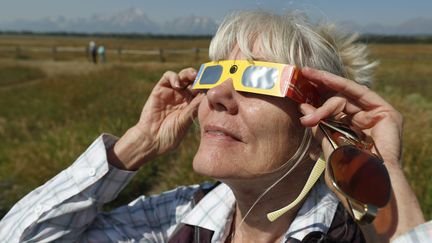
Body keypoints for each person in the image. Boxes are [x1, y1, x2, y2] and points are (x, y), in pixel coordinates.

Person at [0, 10, 426, 242]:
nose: (218, 94)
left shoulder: (352, 235)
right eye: (214, 73)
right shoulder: (180, 220)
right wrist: (135, 146)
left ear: (318, 122)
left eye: (258, 79)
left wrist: (382, 169)